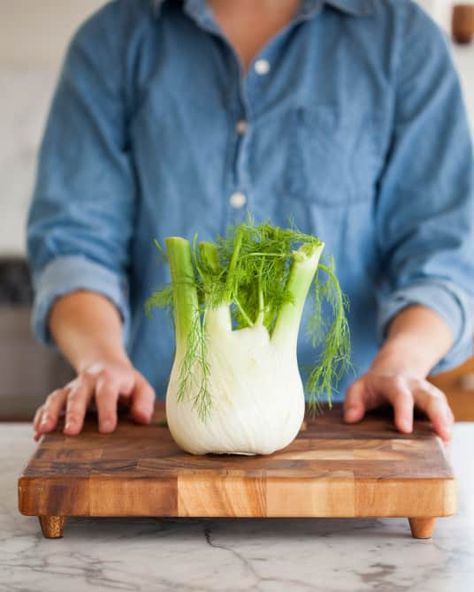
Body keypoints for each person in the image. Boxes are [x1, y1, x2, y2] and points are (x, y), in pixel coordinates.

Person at [28, 0, 474, 443]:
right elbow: (75, 244)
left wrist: (403, 361)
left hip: (354, 420)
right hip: (147, 421)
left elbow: (445, 253)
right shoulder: (114, 39)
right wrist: (100, 360)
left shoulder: (403, 40)